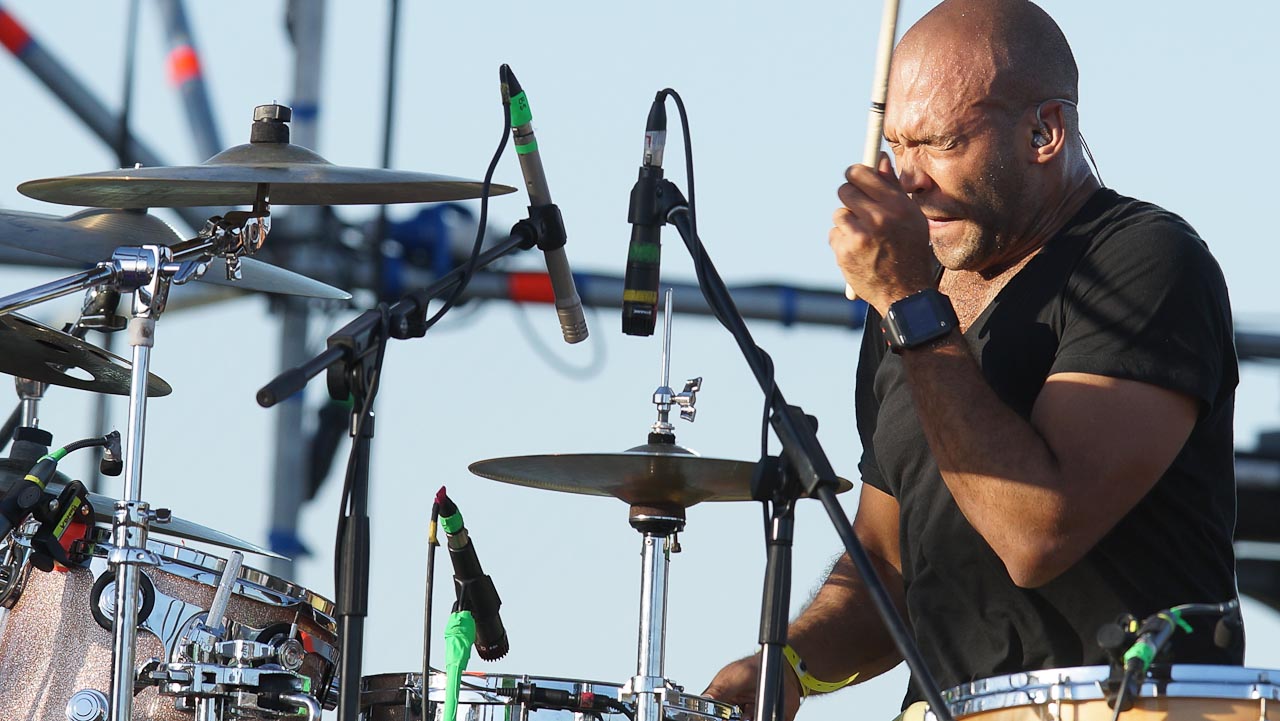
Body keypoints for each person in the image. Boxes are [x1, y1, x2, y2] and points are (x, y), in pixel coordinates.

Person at [703, 0, 1242, 717]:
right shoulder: (910, 299)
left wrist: (910, 305)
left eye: (940, 143)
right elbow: (889, 566)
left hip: (1119, 706)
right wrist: (791, 664)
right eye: (897, 146)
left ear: (1045, 132)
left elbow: (1037, 534)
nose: (908, 180)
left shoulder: (1145, 261)